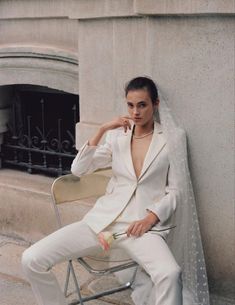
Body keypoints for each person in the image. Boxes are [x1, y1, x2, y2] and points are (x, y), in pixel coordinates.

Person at [21, 76, 210, 305]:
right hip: (102, 222)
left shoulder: (172, 138)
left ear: (155, 104)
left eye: (142, 105)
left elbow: (176, 191)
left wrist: (150, 218)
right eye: (130, 105)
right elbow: (78, 169)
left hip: (142, 227)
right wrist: (102, 129)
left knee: (170, 273)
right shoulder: (116, 136)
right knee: (31, 258)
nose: (135, 112)